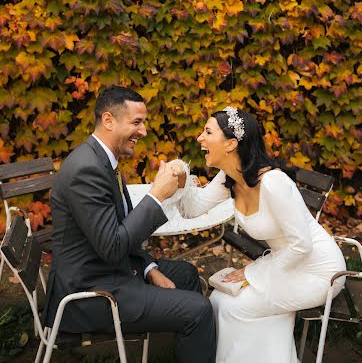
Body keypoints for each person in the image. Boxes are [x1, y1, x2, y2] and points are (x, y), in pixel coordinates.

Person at [43, 86, 216, 363]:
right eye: (136, 122)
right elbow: (112, 247)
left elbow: (120, 228)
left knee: (186, 274)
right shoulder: (86, 170)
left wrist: (148, 267)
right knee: (199, 310)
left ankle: (185, 349)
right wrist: (156, 195)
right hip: (91, 292)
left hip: (108, 268)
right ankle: (189, 330)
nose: (144, 130)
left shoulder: (103, 159)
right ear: (109, 120)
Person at [174, 107, 346, 363]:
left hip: (319, 272)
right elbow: (192, 209)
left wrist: (251, 272)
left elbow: (302, 246)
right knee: (220, 298)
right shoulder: (230, 178)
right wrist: (179, 181)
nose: (199, 138)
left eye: (207, 132)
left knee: (235, 307)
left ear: (231, 144)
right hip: (286, 262)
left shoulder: (274, 183)